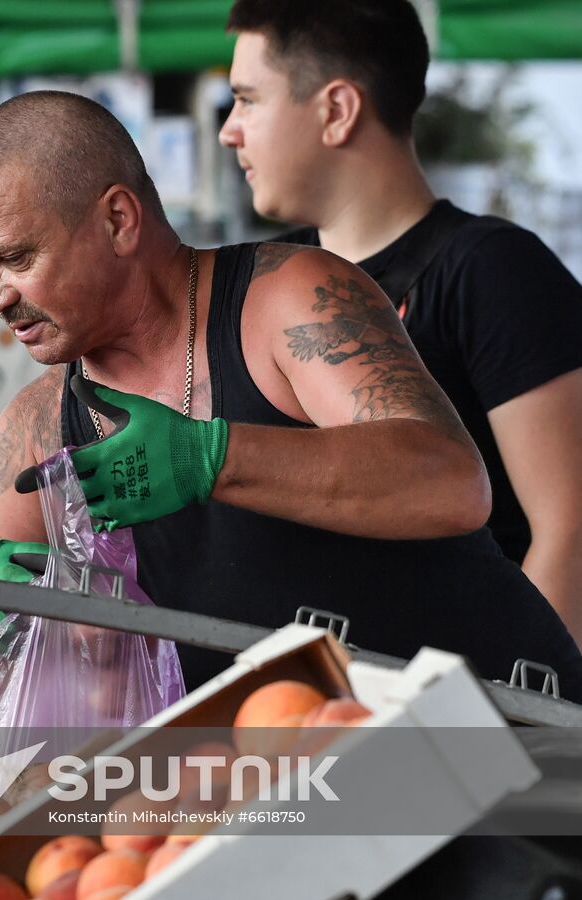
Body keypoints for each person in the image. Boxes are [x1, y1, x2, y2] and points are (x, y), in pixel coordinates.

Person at [0, 90, 582, 704]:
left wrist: (212, 455)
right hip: (298, 788)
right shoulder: (35, 426)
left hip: (497, 736)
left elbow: (453, 484)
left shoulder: (289, 298)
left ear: (117, 219)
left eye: (17, 259)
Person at [218, 0, 582, 643]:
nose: (229, 130)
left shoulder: (491, 271)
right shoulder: (260, 280)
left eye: (248, 100)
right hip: (303, 699)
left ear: (336, 110)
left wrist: (519, 726)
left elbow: (570, 531)